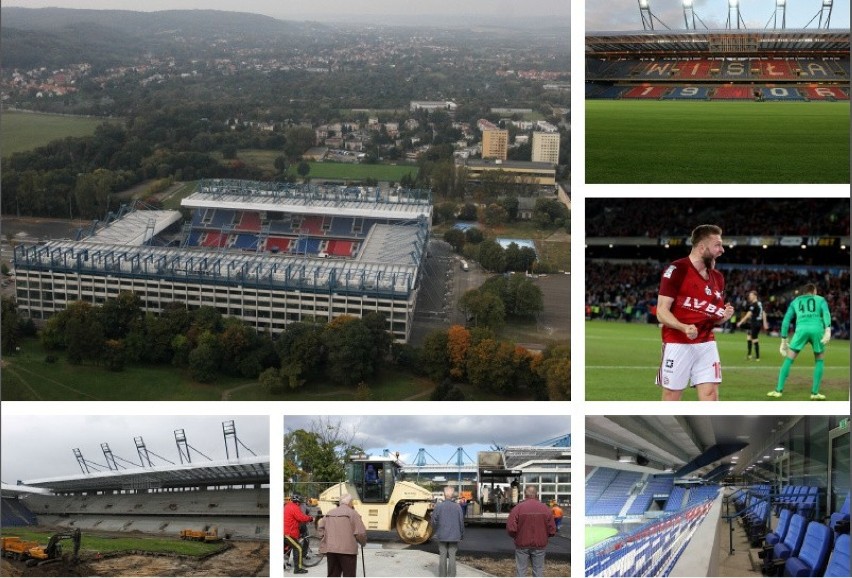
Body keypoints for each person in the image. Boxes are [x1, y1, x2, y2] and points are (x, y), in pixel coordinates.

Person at [655, 224, 734, 401]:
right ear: (701, 248)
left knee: (710, 394)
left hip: (707, 343)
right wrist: (683, 327)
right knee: (672, 395)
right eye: (717, 245)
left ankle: (711, 428)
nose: (722, 250)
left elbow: (714, 318)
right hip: (678, 342)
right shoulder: (677, 270)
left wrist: (723, 317)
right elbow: (661, 311)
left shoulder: (718, 278)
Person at [768, 283, 832, 400]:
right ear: (814, 291)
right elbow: (826, 314)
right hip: (817, 330)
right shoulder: (821, 300)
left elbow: (786, 320)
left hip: (801, 330)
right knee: (819, 360)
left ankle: (778, 390)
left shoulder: (795, 301)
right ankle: (814, 393)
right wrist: (828, 329)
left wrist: (783, 339)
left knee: (789, 359)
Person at [507, 486, 556, 577]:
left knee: (521, 570)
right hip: (539, 545)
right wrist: (545, 536)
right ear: (536, 494)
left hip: (522, 544)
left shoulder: (518, 508)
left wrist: (517, 537)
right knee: (538, 570)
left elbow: (511, 528)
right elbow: (552, 529)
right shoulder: (545, 508)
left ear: (525, 494)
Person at [321, 493, 367, 577]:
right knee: (349, 575)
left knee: (333, 575)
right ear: (349, 502)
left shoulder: (329, 513)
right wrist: (363, 542)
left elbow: (321, 527)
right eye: (352, 502)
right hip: (347, 551)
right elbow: (360, 533)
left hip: (331, 549)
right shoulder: (353, 513)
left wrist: (326, 540)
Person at [431, 486, 465, 577]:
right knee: (452, 556)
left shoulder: (439, 506)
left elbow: (433, 521)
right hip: (454, 536)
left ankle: (442, 576)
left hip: (441, 535)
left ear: (444, 495)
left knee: (442, 555)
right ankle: (452, 576)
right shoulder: (457, 507)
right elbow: (461, 521)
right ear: (453, 495)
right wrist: (461, 534)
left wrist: (435, 530)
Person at [284, 494, 314, 575]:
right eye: (300, 502)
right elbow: (301, 517)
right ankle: (298, 569)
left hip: (286, 531)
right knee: (298, 548)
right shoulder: (294, 507)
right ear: (298, 502)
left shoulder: (288, 505)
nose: (301, 503)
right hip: (289, 533)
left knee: (287, 547)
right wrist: (310, 518)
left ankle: (284, 563)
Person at [736, 290, 769, 360]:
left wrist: (741, 322)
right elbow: (763, 313)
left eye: (751, 295)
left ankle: (757, 357)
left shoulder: (754, 304)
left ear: (755, 296)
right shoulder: (760, 303)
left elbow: (748, 315)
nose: (749, 297)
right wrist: (765, 323)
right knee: (749, 337)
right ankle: (749, 355)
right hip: (757, 323)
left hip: (755, 323)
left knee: (754, 339)